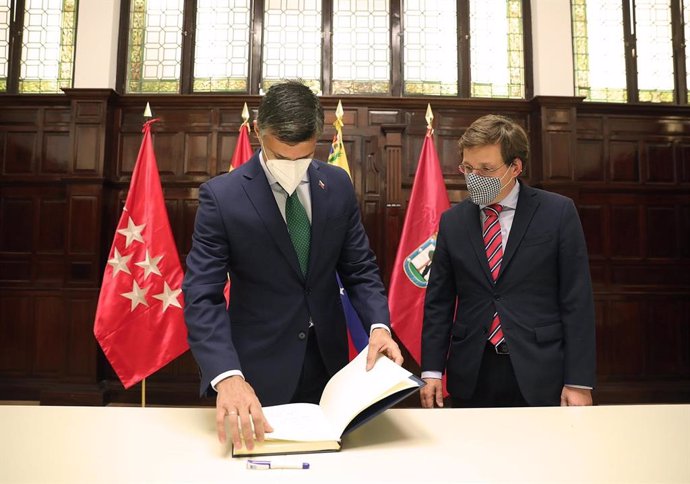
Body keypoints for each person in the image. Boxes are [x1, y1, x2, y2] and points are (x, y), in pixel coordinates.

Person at [182, 80, 402, 450]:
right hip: (255, 371)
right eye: (281, 158)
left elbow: (360, 268)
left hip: (331, 366)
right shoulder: (223, 197)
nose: (293, 167)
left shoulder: (337, 184)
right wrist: (226, 375)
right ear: (257, 131)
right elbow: (202, 295)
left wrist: (379, 325)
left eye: (303, 156)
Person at [420, 114, 595, 409]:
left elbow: (576, 301)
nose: (474, 177)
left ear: (515, 167)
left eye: (486, 169)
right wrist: (432, 371)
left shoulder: (558, 212)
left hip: (540, 368)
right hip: (472, 370)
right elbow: (439, 302)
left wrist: (578, 381)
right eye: (468, 168)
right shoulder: (453, 221)